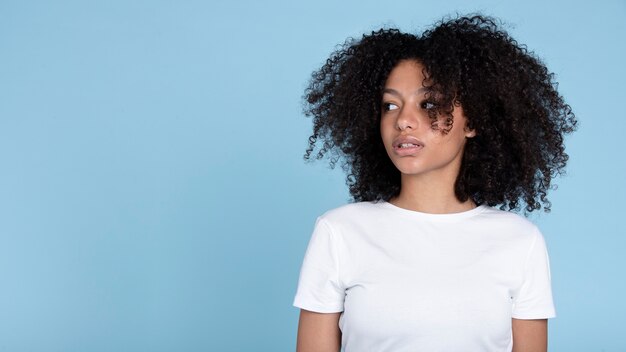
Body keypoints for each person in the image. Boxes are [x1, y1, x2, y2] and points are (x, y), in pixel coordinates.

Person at [293, 15, 576, 352]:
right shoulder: (339, 232)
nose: (403, 121)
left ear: (472, 122)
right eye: (390, 105)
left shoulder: (519, 241)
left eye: (428, 104)